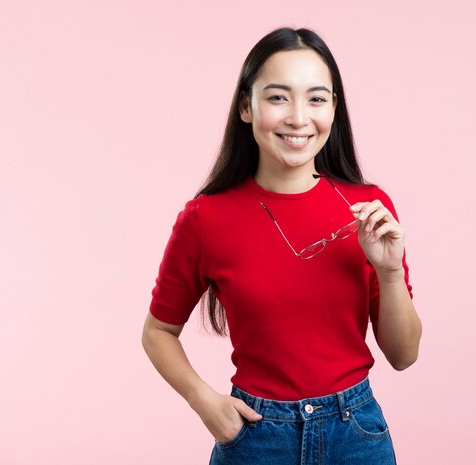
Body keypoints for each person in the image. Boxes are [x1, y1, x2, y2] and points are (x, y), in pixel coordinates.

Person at [141, 27, 422, 465]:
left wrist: (388, 272)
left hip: (356, 434)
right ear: (246, 108)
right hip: (256, 439)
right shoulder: (205, 219)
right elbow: (158, 332)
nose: (297, 117)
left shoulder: (369, 208)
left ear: (334, 108)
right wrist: (204, 402)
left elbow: (404, 356)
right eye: (277, 97)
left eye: (316, 98)